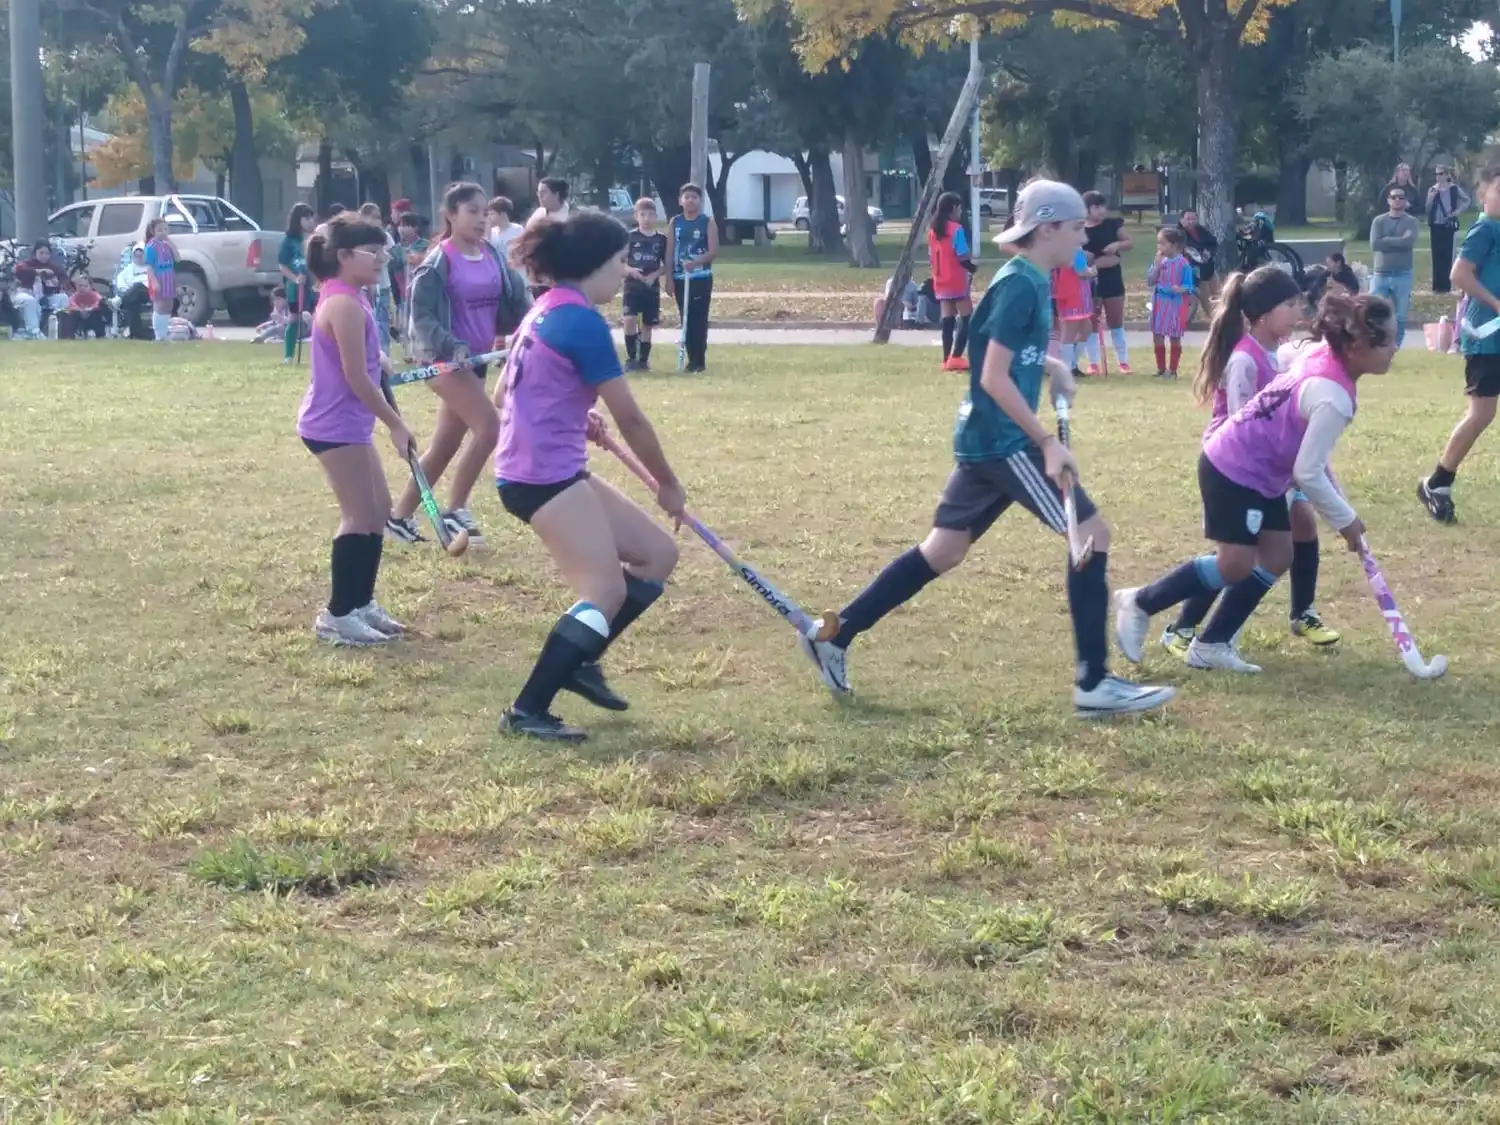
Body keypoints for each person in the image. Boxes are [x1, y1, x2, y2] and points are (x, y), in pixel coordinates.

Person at [797, 180, 1175, 719]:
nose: (1081, 241)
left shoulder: (1029, 278)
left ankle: (832, 636)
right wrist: (1046, 440)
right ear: (1047, 228)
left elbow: (1000, 354)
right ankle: (1094, 681)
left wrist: (1049, 366)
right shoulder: (1021, 284)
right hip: (1004, 442)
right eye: (1074, 230)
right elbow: (993, 375)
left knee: (943, 550)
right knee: (1090, 534)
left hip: (985, 439)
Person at [1114, 291, 1397, 674]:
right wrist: (1346, 521)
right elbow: (1307, 472)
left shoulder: (1318, 354)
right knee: (1235, 564)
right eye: (1388, 341)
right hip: (1233, 468)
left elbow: (1286, 364)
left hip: (1262, 475)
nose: (1394, 348)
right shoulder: (1334, 398)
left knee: (1279, 555)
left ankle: (1211, 644)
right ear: (1357, 345)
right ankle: (1141, 602)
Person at [494, 211, 685, 742]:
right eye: (620, 262)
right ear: (593, 266)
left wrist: (575, 414)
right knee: (603, 590)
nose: (624, 273)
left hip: (549, 469)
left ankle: (581, 658)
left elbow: (508, 395)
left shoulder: (546, 310)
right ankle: (527, 710)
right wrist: (667, 483)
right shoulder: (581, 321)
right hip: (540, 478)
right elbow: (632, 418)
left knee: (656, 557)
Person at [1157, 266, 1342, 658]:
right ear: (1262, 313)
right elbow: (1245, 425)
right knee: (1237, 556)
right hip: (1239, 467)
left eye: (1299, 303)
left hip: (1272, 466)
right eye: (1290, 304)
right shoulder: (1244, 360)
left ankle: (1301, 613)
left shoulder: (1283, 355)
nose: (1299, 311)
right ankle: (1183, 627)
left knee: (1298, 528)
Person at [387, 181, 530, 548]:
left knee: (446, 443)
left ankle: (398, 518)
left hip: (478, 361)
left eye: (485, 212)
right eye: (472, 212)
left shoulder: (493, 255)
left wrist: (532, 324)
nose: (482, 219)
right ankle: (455, 509)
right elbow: (421, 317)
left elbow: (515, 303)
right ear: (451, 215)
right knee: (489, 426)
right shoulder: (438, 260)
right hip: (444, 362)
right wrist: (452, 346)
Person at [296, 213, 415, 647]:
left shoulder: (352, 295)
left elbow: (363, 361)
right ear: (344, 256)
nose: (384, 257)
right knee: (359, 515)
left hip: (350, 422)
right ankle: (338, 614)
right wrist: (397, 425)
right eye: (374, 251)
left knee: (379, 507)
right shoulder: (343, 303)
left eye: (384, 249)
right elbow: (355, 379)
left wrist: (378, 357)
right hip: (333, 425)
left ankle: (361, 602)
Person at [1418, 166, 1500, 525]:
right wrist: (1496, 303)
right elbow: (1458, 275)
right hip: (1487, 334)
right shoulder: (1485, 229)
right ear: (1483, 194)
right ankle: (1437, 483)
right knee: (1481, 413)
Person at [665, 182, 717, 373]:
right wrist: (669, 278)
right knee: (685, 318)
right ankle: (690, 359)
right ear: (681, 201)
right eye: (687, 197)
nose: (690, 201)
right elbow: (669, 252)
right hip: (680, 278)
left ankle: (699, 360)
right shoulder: (675, 222)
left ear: (699, 201)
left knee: (698, 318)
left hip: (700, 277)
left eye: (694, 197)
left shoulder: (707, 222)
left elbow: (713, 251)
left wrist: (696, 262)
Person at [1082, 191, 1133, 372]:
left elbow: (1128, 242)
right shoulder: (1079, 228)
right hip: (1088, 279)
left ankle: (1123, 361)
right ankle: (1093, 363)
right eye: (1096, 206)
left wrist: (1116, 245)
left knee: (1116, 320)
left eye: (1103, 206)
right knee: (1091, 321)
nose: (1101, 210)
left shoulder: (1113, 224)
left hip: (1112, 277)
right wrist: (1084, 256)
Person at [928, 192, 977, 372]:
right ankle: (956, 357)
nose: (961, 211)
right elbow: (962, 256)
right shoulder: (956, 230)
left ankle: (946, 358)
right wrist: (973, 268)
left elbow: (930, 256)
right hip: (956, 278)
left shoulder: (933, 231)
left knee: (947, 318)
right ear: (953, 208)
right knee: (966, 317)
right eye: (959, 207)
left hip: (940, 279)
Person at [1369, 185, 1419, 348]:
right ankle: (1375, 343)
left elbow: (1409, 242)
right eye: (1394, 197)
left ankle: (1395, 346)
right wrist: (1396, 240)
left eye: (1401, 197)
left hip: (1403, 273)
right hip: (1381, 273)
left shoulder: (1411, 222)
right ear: (1388, 200)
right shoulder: (1379, 221)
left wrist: (1387, 240)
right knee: (1373, 311)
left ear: (1405, 201)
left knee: (1400, 315)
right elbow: (1375, 244)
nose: (1397, 200)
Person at [622, 197, 667, 371]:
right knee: (629, 319)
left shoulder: (661, 239)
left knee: (648, 325)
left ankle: (643, 360)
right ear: (636, 216)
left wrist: (654, 275)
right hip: (632, 285)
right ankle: (631, 357)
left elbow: (665, 265)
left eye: (650, 215)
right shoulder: (630, 237)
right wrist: (631, 271)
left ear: (655, 217)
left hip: (651, 286)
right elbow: (621, 262)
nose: (646, 219)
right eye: (642, 215)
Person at [1147, 227, 1195, 379]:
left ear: (1174, 245)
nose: (1159, 247)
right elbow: (1150, 280)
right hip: (1159, 301)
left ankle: (1172, 370)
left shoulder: (1183, 264)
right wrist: (1156, 266)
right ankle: (1161, 369)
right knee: (1158, 334)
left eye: (1163, 244)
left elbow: (1189, 286)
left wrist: (1180, 289)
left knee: (1174, 336)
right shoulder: (1160, 261)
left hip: (1175, 304)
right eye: (1158, 244)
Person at [279, 203, 317, 364]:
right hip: (296, 287)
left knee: (318, 318)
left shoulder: (312, 240)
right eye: (306, 217)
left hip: (313, 285)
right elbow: (282, 265)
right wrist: (295, 278)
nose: (311, 221)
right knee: (294, 318)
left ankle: (318, 355)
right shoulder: (289, 241)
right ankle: (289, 355)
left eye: (311, 217)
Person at [358, 202, 396, 352]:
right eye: (373, 217)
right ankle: (367, 350)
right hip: (364, 285)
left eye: (378, 217)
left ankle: (384, 352)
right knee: (367, 318)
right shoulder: (359, 236)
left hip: (383, 284)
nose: (377, 221)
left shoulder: (384, 236)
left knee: (383, 319)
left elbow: (393, 254)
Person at [1427, 165, 1470, 295]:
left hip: (1448, 224)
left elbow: (1466, 200)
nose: (1438, 176)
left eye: (1441, 174)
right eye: (1436, 174)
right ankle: (1437, 286)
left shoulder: (1454, 189)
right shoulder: (1432, 189)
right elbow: (1427, 207)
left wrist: (1457, 212)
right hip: (1435, 224)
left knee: (1448, 254)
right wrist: (1432, 196)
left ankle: (1447, 286)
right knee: (1436, 255)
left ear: (1446, 175)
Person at [12, 241, 70, 339]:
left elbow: (64, 279)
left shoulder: (54, 267)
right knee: (30, 301)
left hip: (45, 297)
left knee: (62, 298)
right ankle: (34, 331)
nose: (44, 256)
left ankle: (62, 330)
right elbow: (17, 270)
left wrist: (58, 283)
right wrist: (38, 271)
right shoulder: (26, 264)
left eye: (47, 253)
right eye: (41, 253)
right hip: (25, 294)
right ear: (35, 253)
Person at [1052, 248, 1095, 376]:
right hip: (1073, 294)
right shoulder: (1074, 249)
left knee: (1086, 328)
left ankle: (1072, 363)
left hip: (1079, 294)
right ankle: (1065, 368)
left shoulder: (1073, 249)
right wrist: (1093, 271)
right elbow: (1081, 271)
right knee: (1070, 332)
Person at [1179, 210, 1220, 318]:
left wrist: (1208, 252)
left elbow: (1212, 242)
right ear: (1181, 220)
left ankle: (1222, 317)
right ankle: (1214, 320)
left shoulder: (1201, 230)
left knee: (1219, 294)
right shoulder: (1179, 233)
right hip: (1195, 271)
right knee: (1205, 297)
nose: (1191, 222)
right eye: (1188, 219)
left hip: (1208, 267)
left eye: (1193, 219)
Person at [143, 219, 178, 342]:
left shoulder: (166, 244)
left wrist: (170, 242)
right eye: (159, 230)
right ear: (153, 231)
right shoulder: (151, 246)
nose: (163, 232)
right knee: (159, 305)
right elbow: (149, 266)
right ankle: (159, 335)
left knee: (169, 305)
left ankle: (165, 333)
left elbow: (177, 258)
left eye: (165, 229)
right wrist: (154, 282)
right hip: (158, 276)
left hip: (169, 275)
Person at [111, 244, 152, 340]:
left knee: (137, 285)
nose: (139, 258)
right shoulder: (129, 268)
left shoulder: (150, 266)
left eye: (141, 255)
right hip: (133, 294)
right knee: (131, 304)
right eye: (136, 256)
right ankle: (137, 333)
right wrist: (126, 291)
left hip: (148, 292)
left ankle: (120, 300)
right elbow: (120, 280)